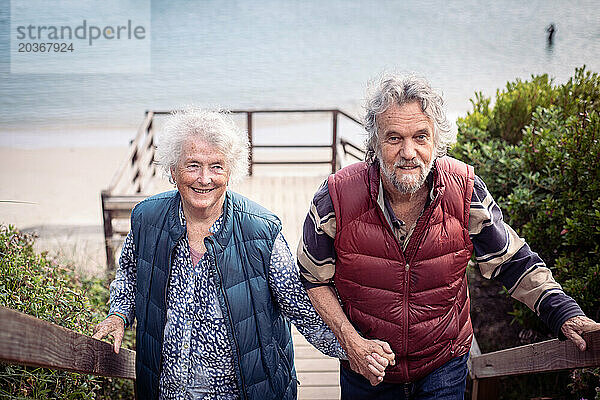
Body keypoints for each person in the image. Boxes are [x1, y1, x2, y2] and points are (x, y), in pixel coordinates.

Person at [297, 74, 600, 399]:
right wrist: (350, 342)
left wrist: (564, 312)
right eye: (394, 138)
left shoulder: (466, 191)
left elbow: (512, 262)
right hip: (368, 371)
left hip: (444, 366)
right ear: (374, 142)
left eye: (421, 136)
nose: (409, 152)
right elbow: (313, 278)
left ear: (436, 140)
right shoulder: (335, 197)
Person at [92, 108, 357, 400]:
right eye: (193, 165)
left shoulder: (261, 232)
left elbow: (303, 310)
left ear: (231, 171)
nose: (204, 179)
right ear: (172, 169)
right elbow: (130, 273)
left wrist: (355, 348)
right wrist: (118, 314)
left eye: (216, 166)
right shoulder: (147, 218)